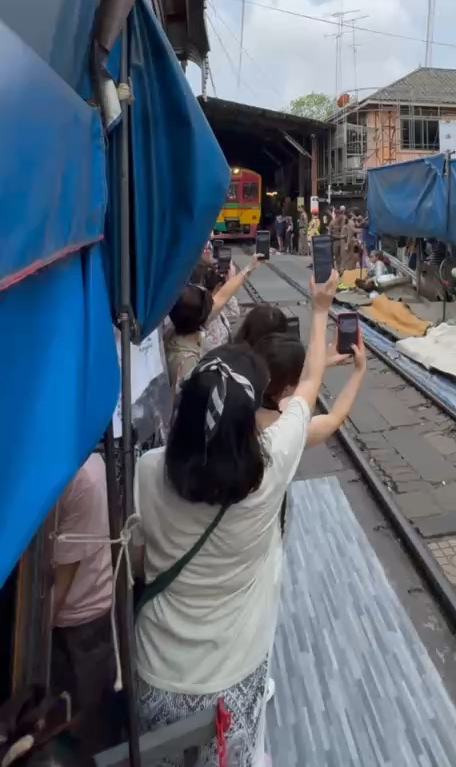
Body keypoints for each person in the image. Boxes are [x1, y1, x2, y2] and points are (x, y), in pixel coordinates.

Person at [133, 273, 338, 767]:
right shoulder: (270, 464)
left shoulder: (147, 470)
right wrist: (319, 308)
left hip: (153, 671)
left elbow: (139, 560)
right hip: (230, 682)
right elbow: (309, 386)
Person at [51, 452, 115, 748]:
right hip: (66, 613)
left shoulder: (81, 479)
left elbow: (56, 595)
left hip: (81, 623)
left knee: (83, 731)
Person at [166, 258, 258, 389]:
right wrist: (248, 268)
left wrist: (248, 268)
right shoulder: (187, 362)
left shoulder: (175, 330)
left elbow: (222, 298)